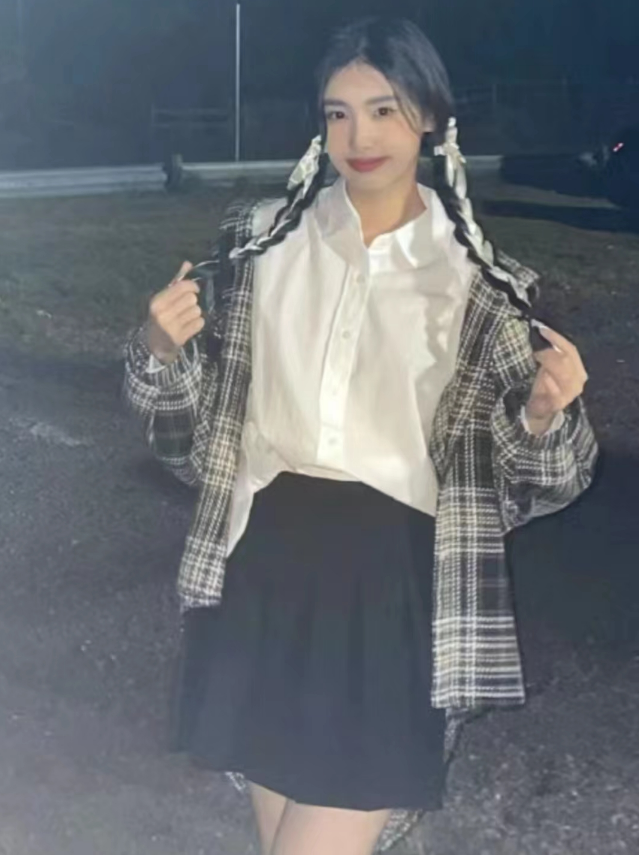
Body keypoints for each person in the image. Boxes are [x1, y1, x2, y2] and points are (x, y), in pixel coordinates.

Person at [122, 16, 598, 855]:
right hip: (264, 564)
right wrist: (160, 353)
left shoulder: (480, 284)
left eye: (383, 109)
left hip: (391, 586)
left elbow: (538, 487)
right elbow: (184, 442)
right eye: (337, 113)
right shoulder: (259, 244)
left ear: (430, 119)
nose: (358, 136)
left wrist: (539, 416)